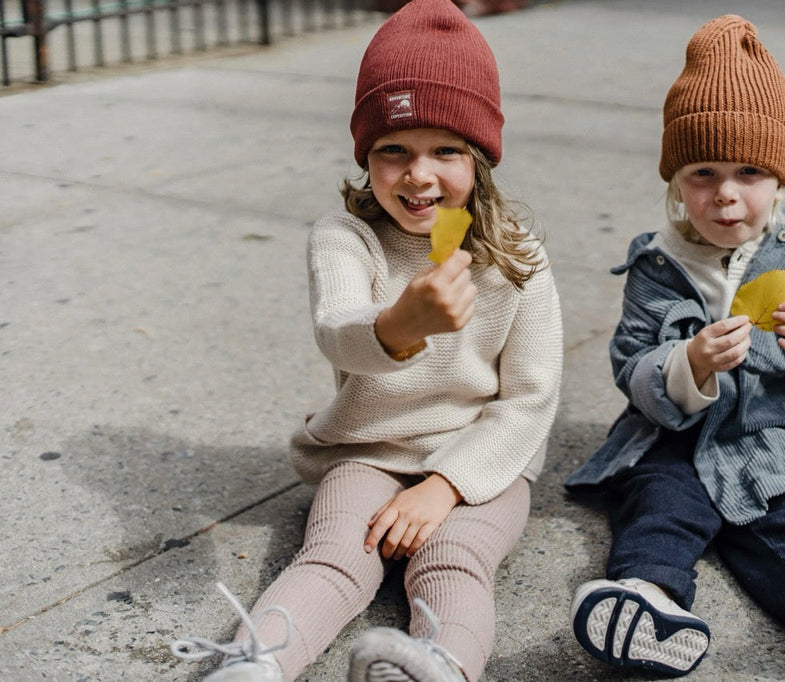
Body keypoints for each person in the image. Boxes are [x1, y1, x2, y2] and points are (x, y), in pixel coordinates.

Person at [170, 1, 562, 681]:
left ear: (480, 160)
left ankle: (440, 666)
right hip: (367, 449)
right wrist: (403, 323)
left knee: (454, 561)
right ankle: (253, 663)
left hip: (482, 460)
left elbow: (530, 399)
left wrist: (445, 486)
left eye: (446, 151)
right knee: (332, 559)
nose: (419, 175)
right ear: (366, 156)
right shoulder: (345, 237)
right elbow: (339, 332)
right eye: (393, 150)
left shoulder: (516, 256)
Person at [564, 14, 785, 682]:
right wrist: (690, 363)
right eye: (703, 172)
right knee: (661, 509)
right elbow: (631, 363)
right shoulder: (656, 264)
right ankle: (648, 602)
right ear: (676, 182)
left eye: (750, 172)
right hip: (674, 438)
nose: (726, 194)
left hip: (778, 440)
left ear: (779, 180)